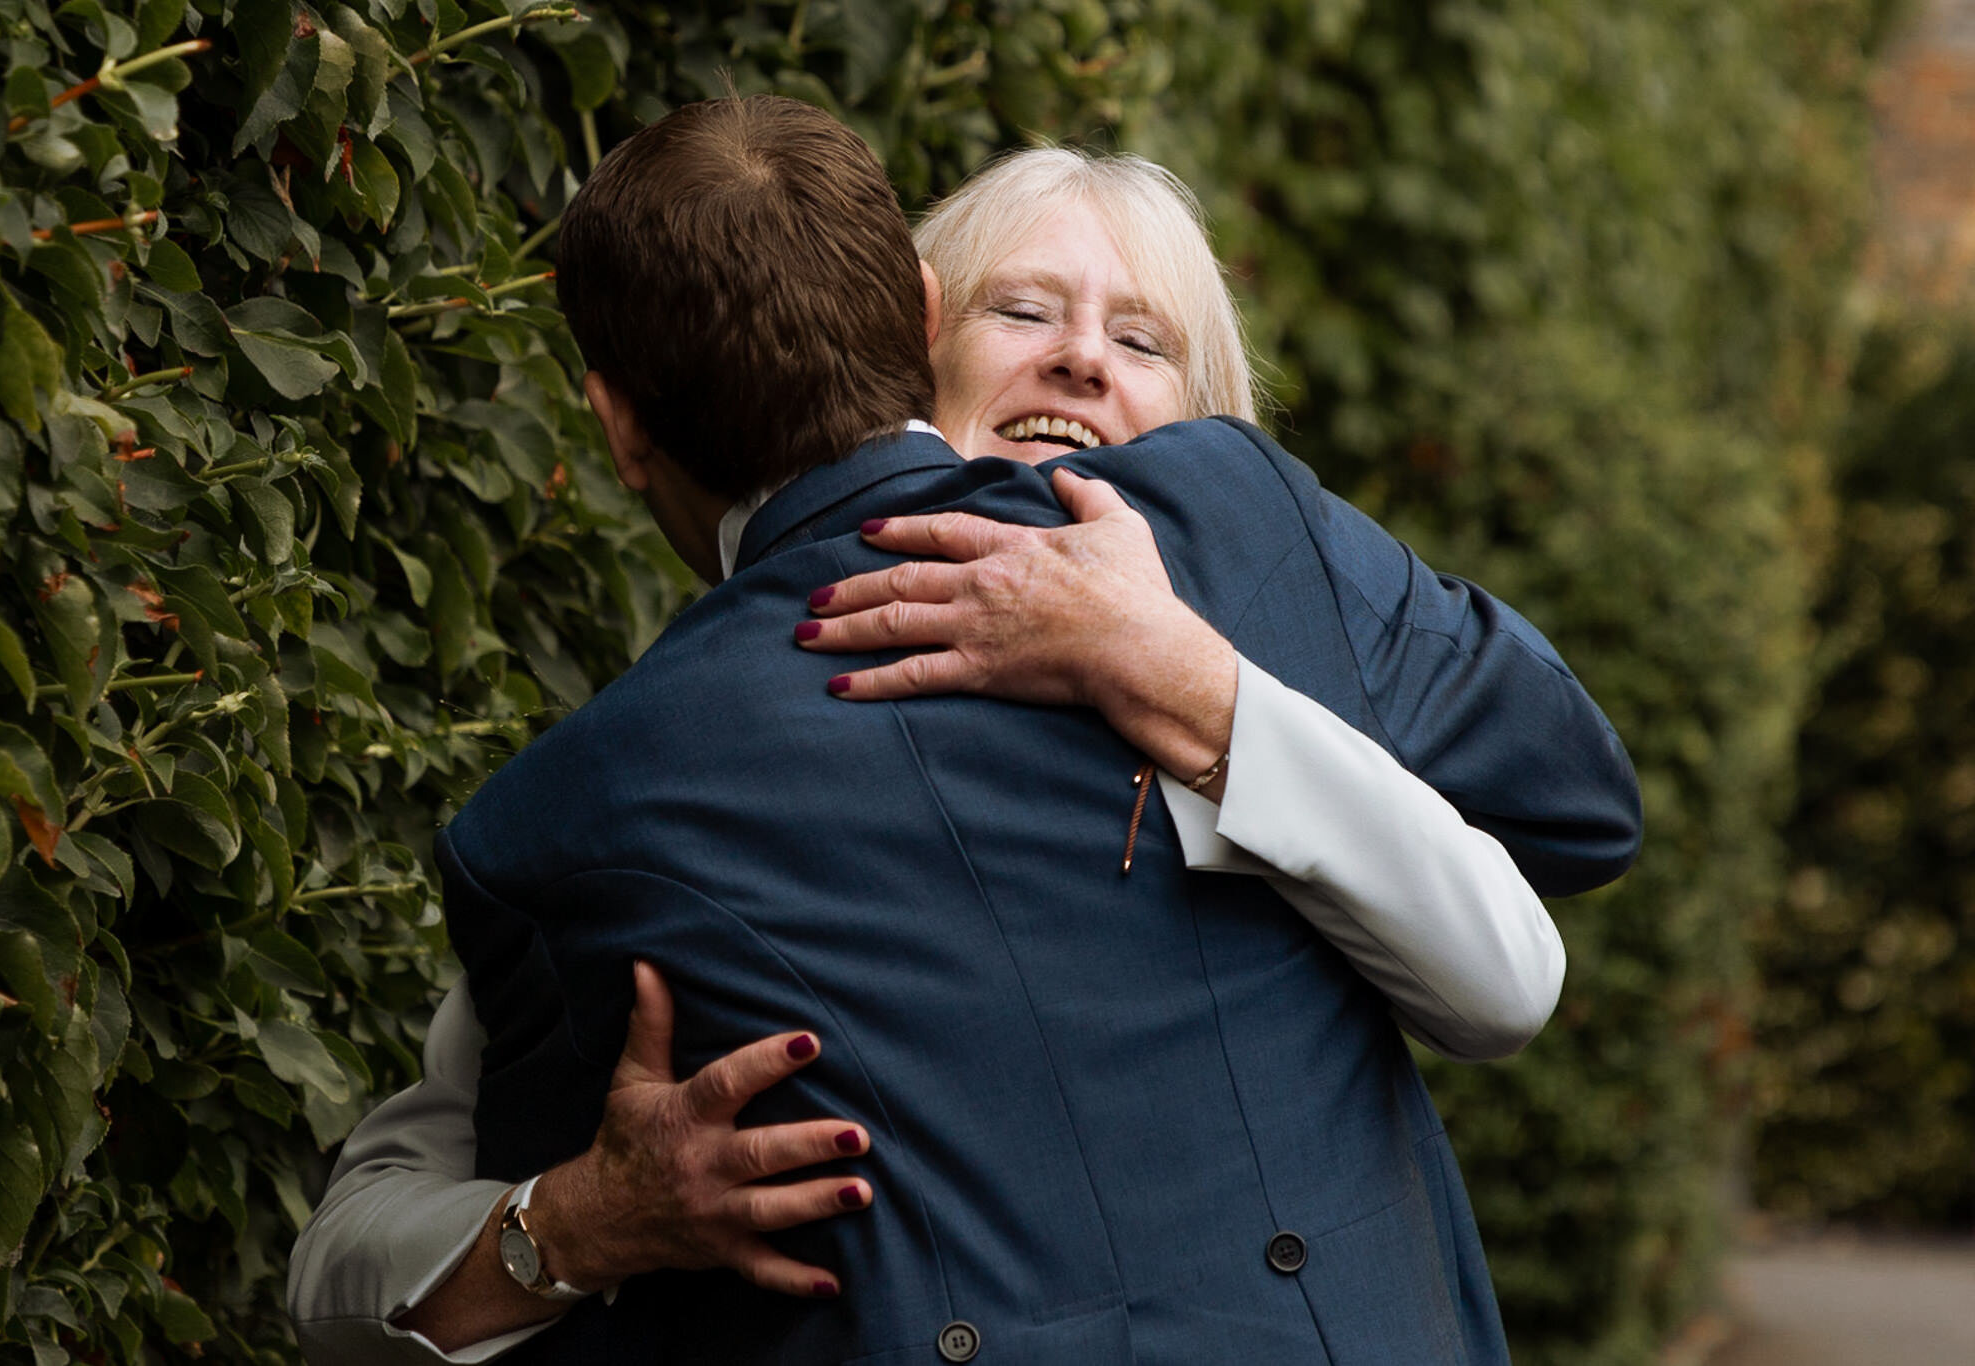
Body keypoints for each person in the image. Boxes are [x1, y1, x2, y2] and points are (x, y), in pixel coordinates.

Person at [287, 101, 1637, 1365]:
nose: (1082, 358)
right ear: (921, 326)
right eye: (1025, 308)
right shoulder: (610, 811)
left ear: (620, 429)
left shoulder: (1241, 547)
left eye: (1146, 340)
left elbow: (1561, 847)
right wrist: (571, 1224)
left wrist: (1199, 686)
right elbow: (376, 1241)